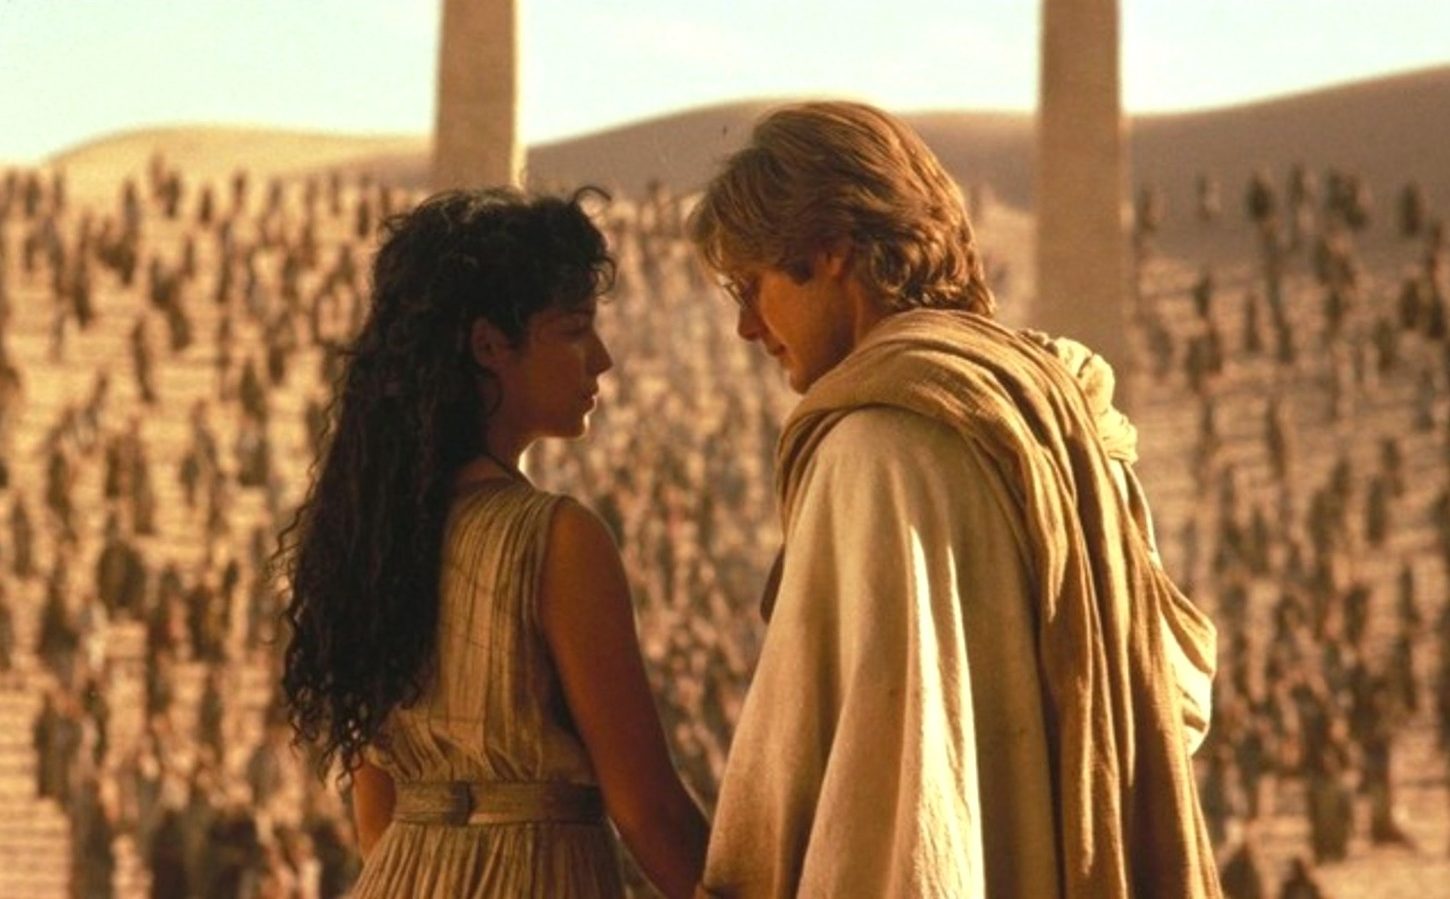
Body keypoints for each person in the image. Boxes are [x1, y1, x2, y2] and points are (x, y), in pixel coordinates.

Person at [686, 101, 1219, 898]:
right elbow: (1175, 697)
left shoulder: (873, 451)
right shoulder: (1062, 417)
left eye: (752, 286)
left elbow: (830, 782)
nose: (746, 327)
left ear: (830, 250)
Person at [279, 187, 707, 898]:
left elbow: (377, 818)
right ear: (489, 346)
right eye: (574, 330)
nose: (601, 358)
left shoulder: (373, 535)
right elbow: (648, 811)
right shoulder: (560, 541)